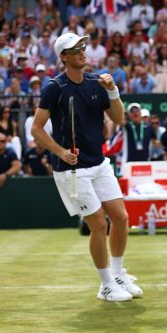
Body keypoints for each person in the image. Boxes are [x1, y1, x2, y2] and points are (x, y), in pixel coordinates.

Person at [32, 32, 142, 302]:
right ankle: (105, 285)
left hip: (98, 163)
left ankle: (117, 275)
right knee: (97, 224)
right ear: (64, 58)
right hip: (71, 170)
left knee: (121, 217)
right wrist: (60, 151)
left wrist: (112, 90)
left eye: (83, 46)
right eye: (75, 49)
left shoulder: (96, 82)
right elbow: (36, 129)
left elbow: (118, 118)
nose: (82, 51)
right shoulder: (54, 87)